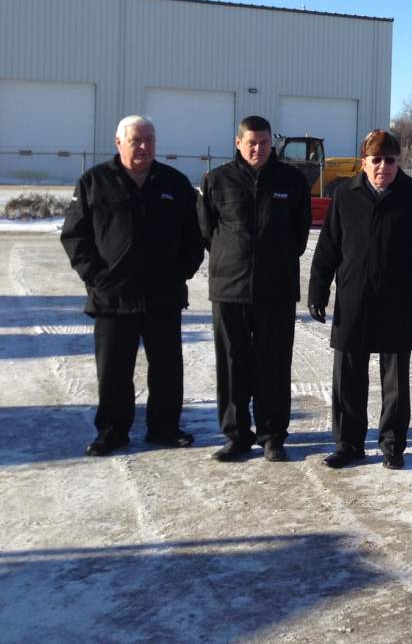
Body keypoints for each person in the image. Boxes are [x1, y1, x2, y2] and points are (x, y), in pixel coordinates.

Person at [61, 115, 204, 456]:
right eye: (137, 140)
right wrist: (96, 276)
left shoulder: (174, 183)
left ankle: (165, 427)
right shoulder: (95, 182)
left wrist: (180, 272)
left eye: (149, 140)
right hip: (113, 297)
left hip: (163, 296)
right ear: (119, 142)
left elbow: (195, 235)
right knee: (113, 370)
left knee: (167, 367)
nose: (144, 147)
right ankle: (112, 431)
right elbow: (74, 235)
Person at [307, 130, 412, 470]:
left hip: (396, 300)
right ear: (363, 161)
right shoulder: (346, 195)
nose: (384, 167)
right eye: (376, 160)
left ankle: (392, 444)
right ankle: (348, 444)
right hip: (353, 299)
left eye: (391, 160)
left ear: (399, 162)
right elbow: (328, 248)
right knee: (348, 377)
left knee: (395, 380)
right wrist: (318, 290)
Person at [197, 115, 312, 463]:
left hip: (275, 290)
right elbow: (206, 230)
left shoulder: (291, 181)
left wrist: (273, 260)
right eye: (251, 143)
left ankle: (273, 435)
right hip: (229, 288)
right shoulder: (217, 181)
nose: (258, 149)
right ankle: (236, 435)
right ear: (238, 143)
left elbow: (300, 234)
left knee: (273, 364)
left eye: (263, 143)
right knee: (232, 363)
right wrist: (232, 258)